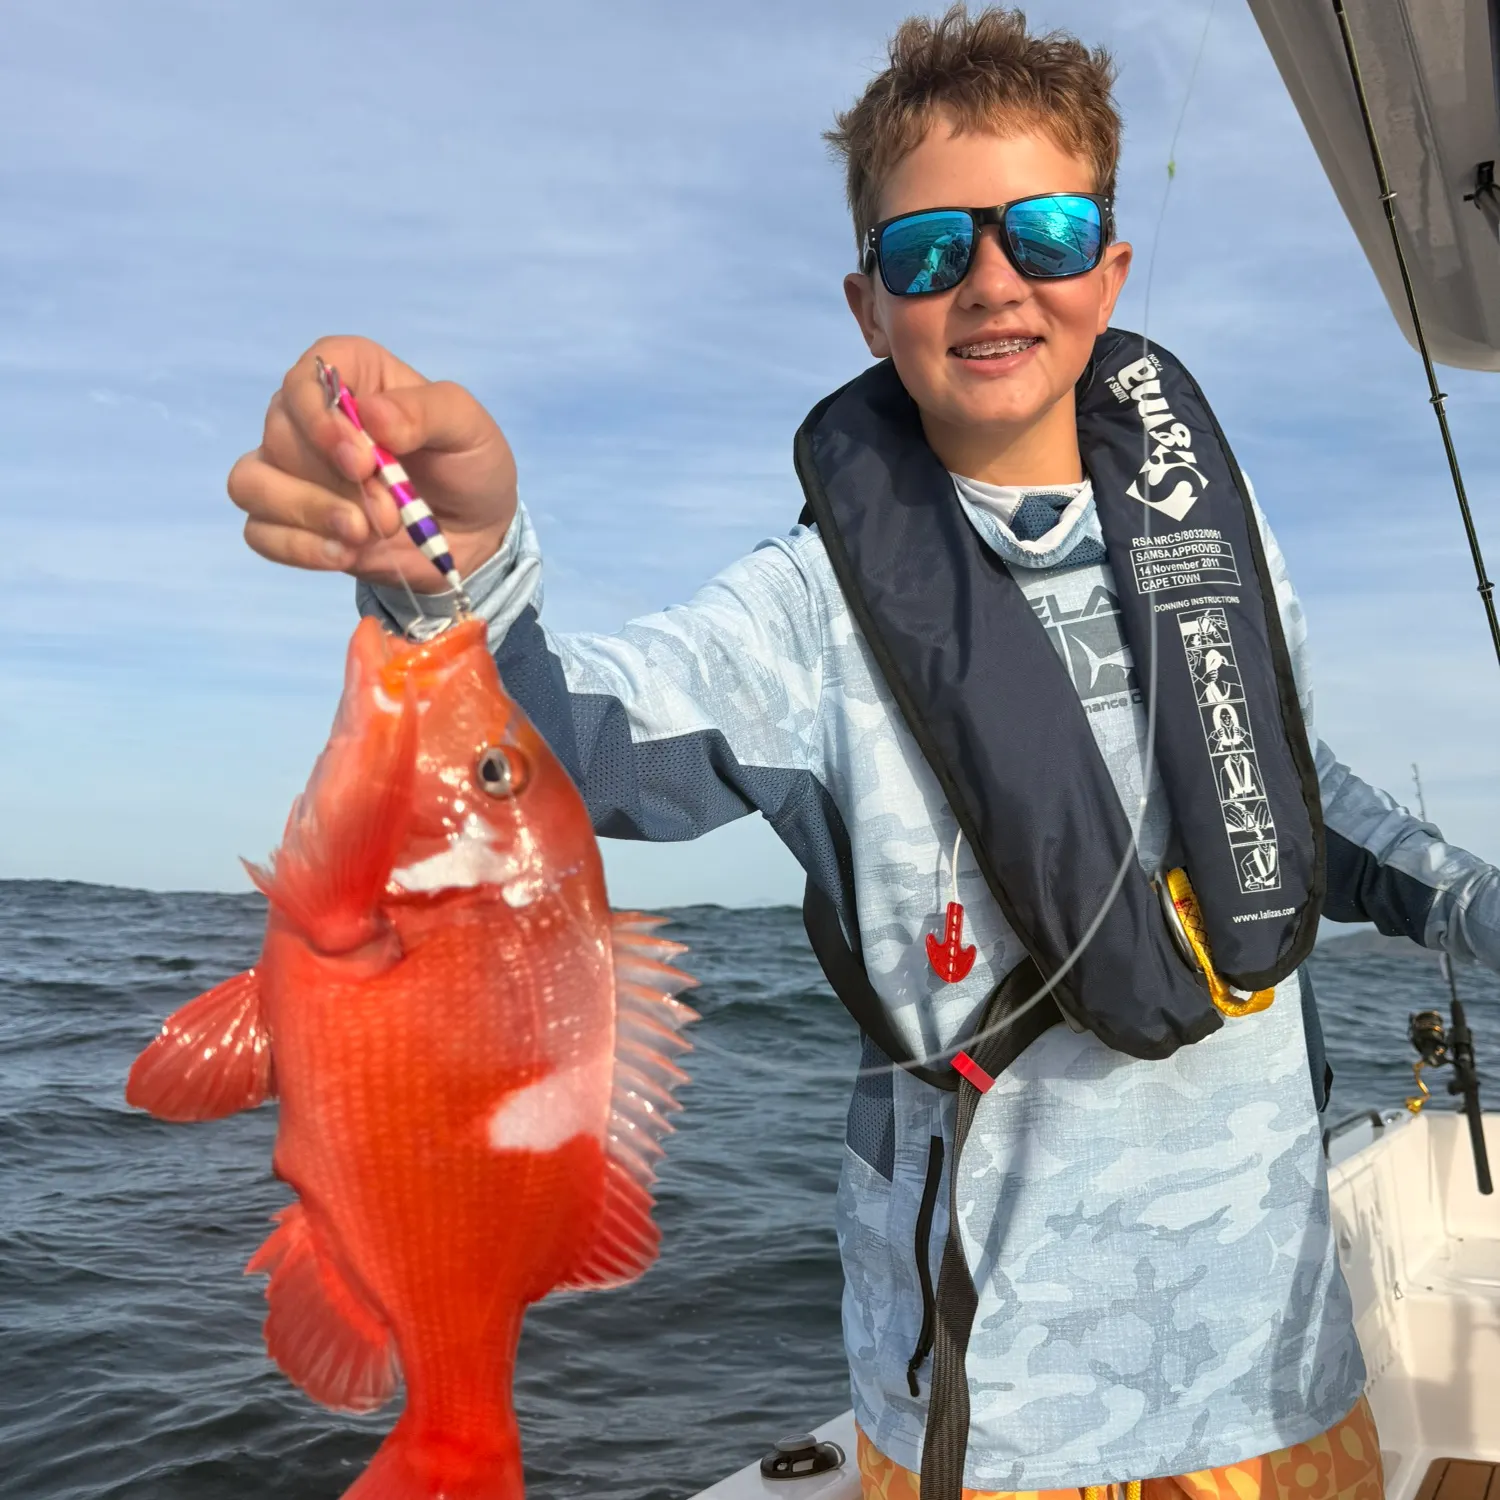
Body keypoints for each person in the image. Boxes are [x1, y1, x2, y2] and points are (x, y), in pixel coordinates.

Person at [228, 8, 1500, 1498]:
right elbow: (561, 750)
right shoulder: (809, 613)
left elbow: (1290, 798)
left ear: (1112, 266)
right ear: (865, 303)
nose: (990, 282)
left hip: (1289, 1380)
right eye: (927, 252)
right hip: (1005, 1424)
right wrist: (453, 565)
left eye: (1043, 229)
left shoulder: (1209, 529)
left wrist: (1473, 901)